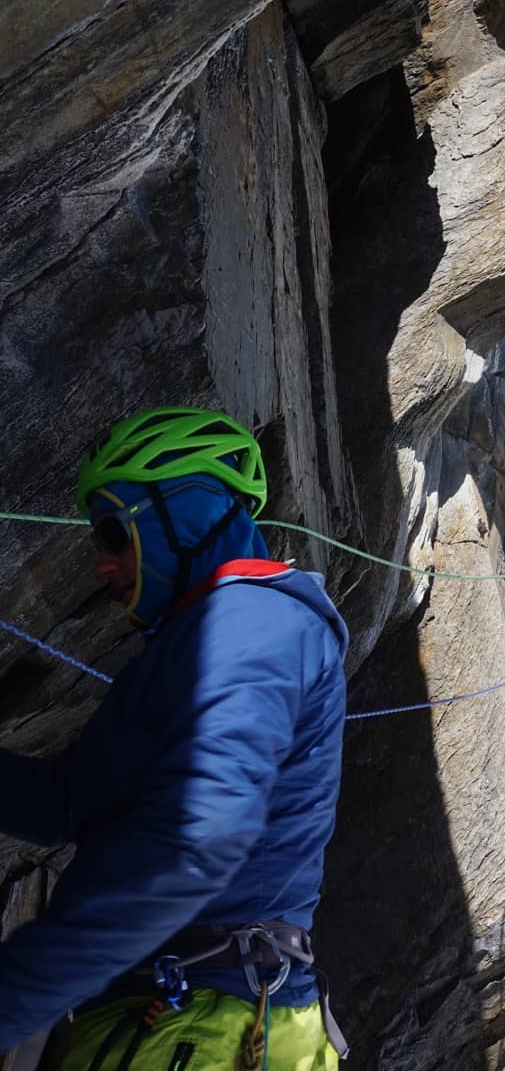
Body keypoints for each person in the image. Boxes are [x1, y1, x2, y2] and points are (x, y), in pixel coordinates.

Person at [0, 407, 349, 1067]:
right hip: (173, 1021)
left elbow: (200, 839)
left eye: (111, 533)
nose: (101, 566)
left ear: (179, 516)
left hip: (206, 1027)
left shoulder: (258, 617)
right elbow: (66, 804)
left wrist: (12, 998)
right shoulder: (192, 646)